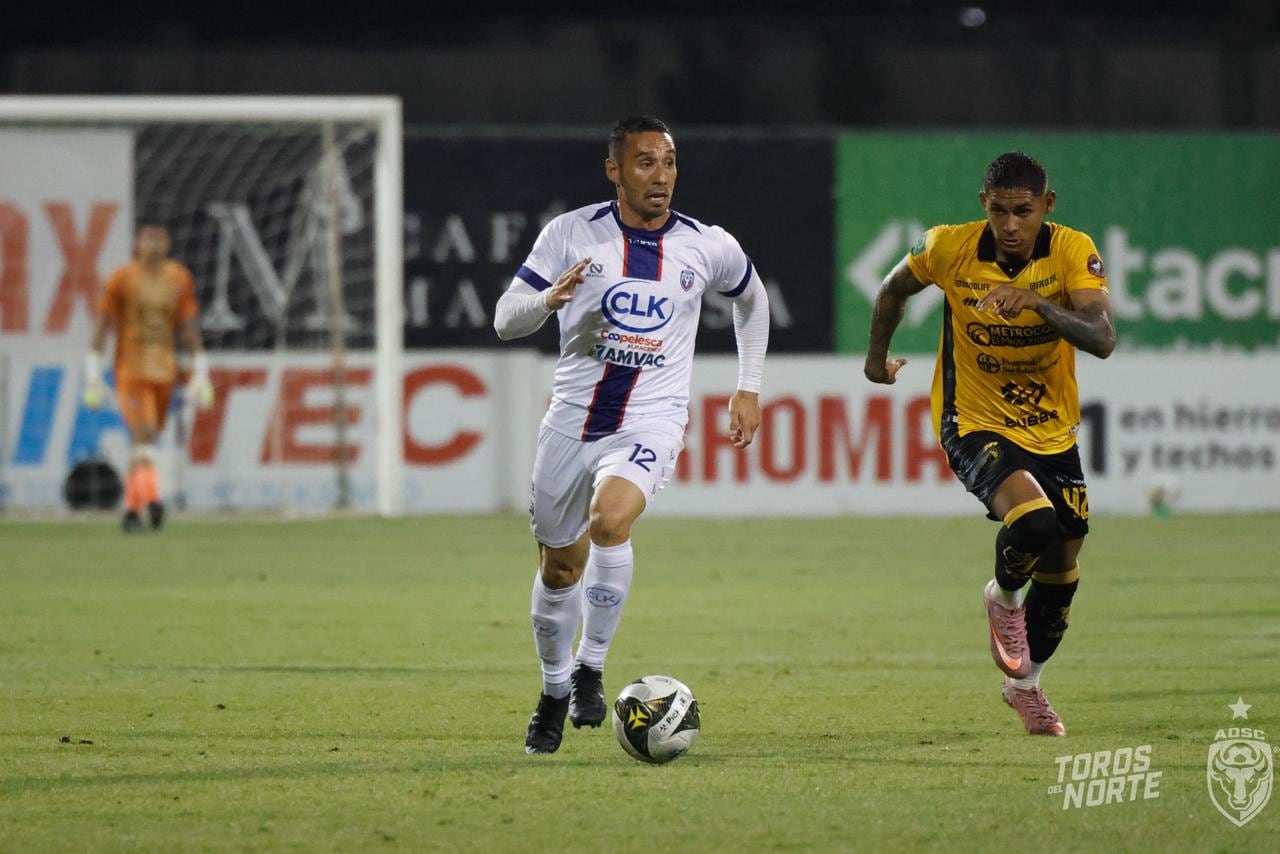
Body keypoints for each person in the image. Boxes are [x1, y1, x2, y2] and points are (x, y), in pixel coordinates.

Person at [494, 116, 770, 754]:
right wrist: (546, 302)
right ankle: (554, 689)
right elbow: (506, 319)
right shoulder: (569, 234)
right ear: (614, 170)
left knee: (611, 520)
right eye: (646, 163)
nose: (661, 177)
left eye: (669, 162)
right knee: (559, 568)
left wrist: (748, 384)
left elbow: (752, 298)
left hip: (652, 415)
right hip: (571, 419)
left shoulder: (706, 245)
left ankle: (592, 666)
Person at [864, 152, 1114, 736]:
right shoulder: (948, 247)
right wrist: (876, 358)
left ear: (1046, 207)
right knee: (1032, 523)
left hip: (1052, 429)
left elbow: (1102, 338)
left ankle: (1024, 688)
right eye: (999, 210)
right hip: (970, 418)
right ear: (984, 206)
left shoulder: (1074, 251)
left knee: (1064, 564)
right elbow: (893, 288)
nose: (1009, 224)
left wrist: (1039, 305)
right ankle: (1002, 596)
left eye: (1022, 212)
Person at [84, 224, 213, 532]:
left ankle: (132, 510)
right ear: (136, 244)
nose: (154, 246)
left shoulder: (179, 278)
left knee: (147, 443)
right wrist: (92, 373)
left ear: (168, 245)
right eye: (148, 240)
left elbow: (188, 327)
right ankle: (154, 499)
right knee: (143, 435)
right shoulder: (121, 279)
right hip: (131, 369)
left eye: (160, 240)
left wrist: (200, 371)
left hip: (165, 370)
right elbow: (103, 326)